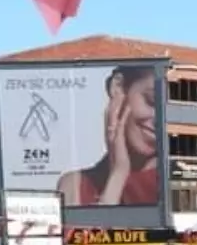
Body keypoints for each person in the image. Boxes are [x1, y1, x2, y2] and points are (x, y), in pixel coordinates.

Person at [57, 65, 159, 207]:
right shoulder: (77, 186)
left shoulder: (181, 184)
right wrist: (118, 175)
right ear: (119, 87)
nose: (160, 119)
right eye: (152, 101)